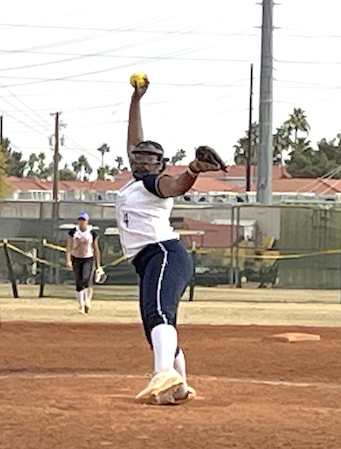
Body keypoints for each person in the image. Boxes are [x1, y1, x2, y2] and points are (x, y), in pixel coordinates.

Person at [115, 75, 225, 405]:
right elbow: (135, 141)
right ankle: (179, 386)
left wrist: (192, 169)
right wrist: (136, 101)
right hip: (150, 259)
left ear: (159, 164)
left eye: (149, 157)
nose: (141, 159)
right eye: (138, 157)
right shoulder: (135, 182)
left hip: (163, 253)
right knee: (157, 323)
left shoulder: (154, 183)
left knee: (158, 315)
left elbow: (175, 185)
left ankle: (163, 374)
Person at [65, 212, 101, 314]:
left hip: (88, 258)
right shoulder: (73, 232)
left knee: (86, 279)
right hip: (76, 258)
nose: (82, 222)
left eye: (83, 220)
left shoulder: (92, 233)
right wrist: (68, 260)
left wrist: (98, 265)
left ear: (87, 221)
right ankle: (81, 304)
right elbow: (69, 247)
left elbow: (96, 248)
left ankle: (87, 301)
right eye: (80, 220)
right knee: (79, 282)